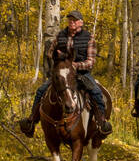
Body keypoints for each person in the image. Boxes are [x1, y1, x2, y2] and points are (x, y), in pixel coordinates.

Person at [19, 9, 112, 137]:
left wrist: (75, 65)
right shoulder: (61, 35)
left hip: (81, 73)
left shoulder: (88, 38)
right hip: (63, 73)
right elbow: (50, 52)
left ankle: (101, 122)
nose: (71, 22)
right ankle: (31, 121)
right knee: (41, 90)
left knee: (96, 92)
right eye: (70, 20)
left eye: (74, 20)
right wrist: (60, 58)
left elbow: (90, 61)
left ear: (81, 23)